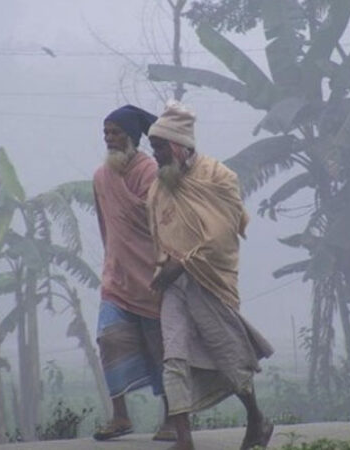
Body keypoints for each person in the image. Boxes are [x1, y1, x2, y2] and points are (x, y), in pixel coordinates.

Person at [146, 101, 275, 450]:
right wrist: (165, 269)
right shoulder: (159, 187)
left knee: (229, 358)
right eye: (152, 146)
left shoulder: (218, 177)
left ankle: (257, 419)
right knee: (173, 357)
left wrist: (184, 263)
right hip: (174, 286)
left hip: (210, 282)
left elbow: (221, 234)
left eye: (158, 146)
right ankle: (184, 440)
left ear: (178, 145)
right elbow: (158, 232)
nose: (154, 154)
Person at [91, 105, 175, 442]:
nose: (110, 139)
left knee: (162, 352)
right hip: (117, 280)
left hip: (151, 281)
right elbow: (106, 226)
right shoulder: (100, 177)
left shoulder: (149, 172)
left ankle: (173, 420)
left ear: (132, 137)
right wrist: (113, 260)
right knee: (109, 340)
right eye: (106, 133)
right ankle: (120, 417)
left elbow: (163, 224)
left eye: (116, 133)